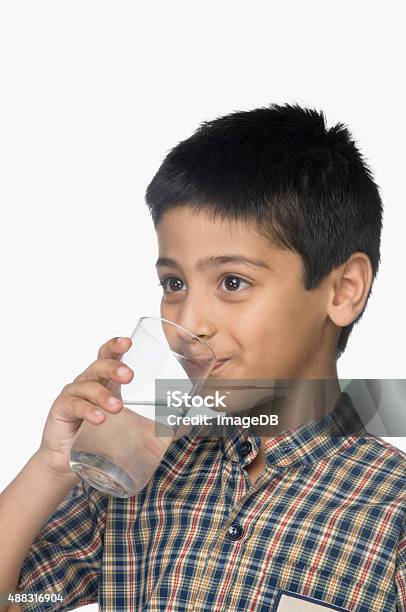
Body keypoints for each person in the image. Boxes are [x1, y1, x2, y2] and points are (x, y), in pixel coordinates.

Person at [1, 103, 405, 611]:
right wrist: (51, 468)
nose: (190, 323)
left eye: (232, 282)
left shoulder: (392, 513)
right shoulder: (139, 472)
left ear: (344, 290)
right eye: (174, 283)